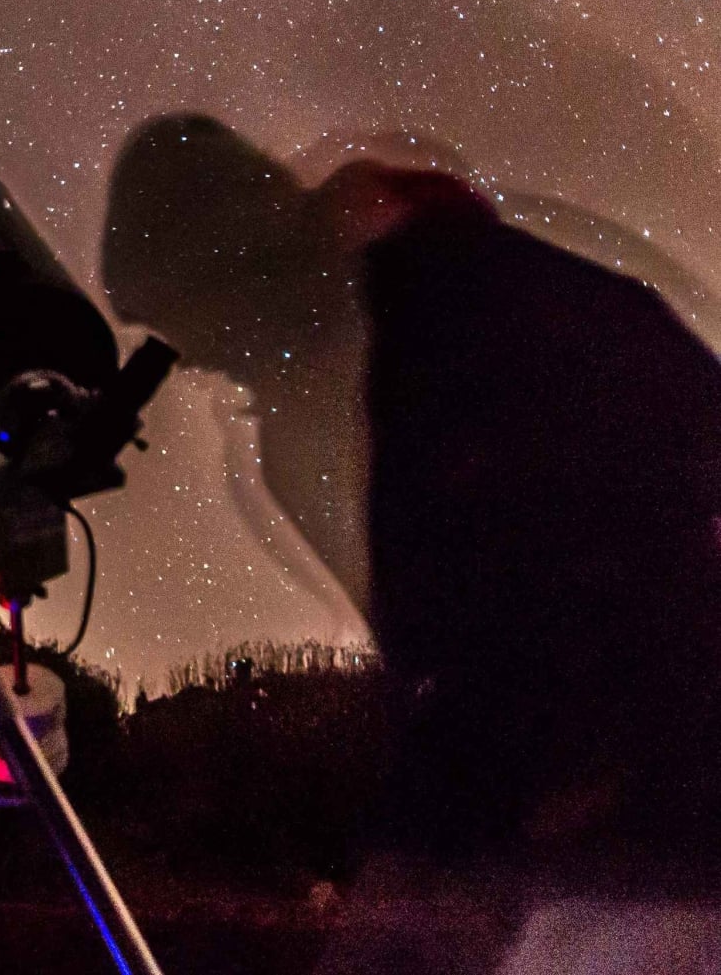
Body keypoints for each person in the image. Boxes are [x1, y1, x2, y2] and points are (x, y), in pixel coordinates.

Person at [102, 113, 721, 867]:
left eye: (185, 316)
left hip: (656, 802)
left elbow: (506, 630)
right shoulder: (323, 402)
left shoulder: (456, 314)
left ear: (229, 263)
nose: (192, 355)